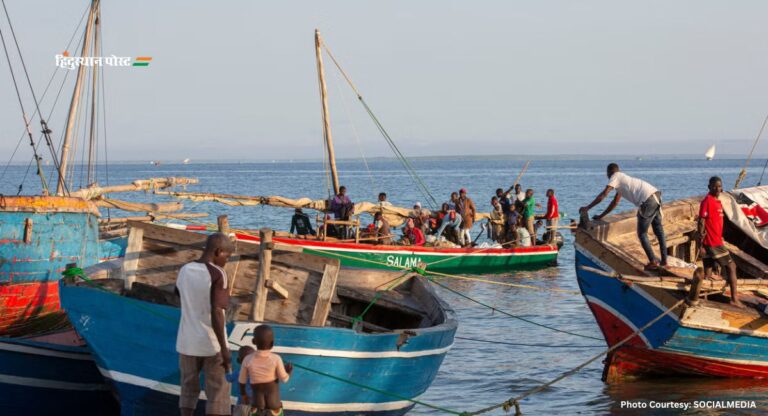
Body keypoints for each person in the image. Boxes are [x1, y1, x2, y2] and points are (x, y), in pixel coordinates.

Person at [176, 233, 234, 416]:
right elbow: (217, 311)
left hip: (186, 341)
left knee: (188, 389)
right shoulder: (218, 273)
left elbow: (178, 294)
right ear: (218, 252)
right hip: (212, 344)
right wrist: (224, 348)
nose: (226, 261)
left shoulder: (185, 269)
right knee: (218, 392)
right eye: (227, 256)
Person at [580, 163, 668, 269]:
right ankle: (664, 261)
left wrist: (588, 207)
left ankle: (653, 261)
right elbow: (615, 202)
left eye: (607, 174)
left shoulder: (615, 177)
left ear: (609, 173)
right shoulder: (622, 179)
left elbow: (604, 194)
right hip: (656, 195)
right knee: (659, 231)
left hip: (647, 201)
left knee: (642, 233)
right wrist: (601, 216)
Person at [697, 176, 742, 307]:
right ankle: (734, 299)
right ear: (709, 187)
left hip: (715, 241)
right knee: (731, 267)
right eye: (715, 186)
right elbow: (701, 222)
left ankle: (704, 299)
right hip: (713, 243)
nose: (718, 189)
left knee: (708, 271)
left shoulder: (717, 201)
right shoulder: (707, 201)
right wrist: (701, 245)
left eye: (720, 186)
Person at [239, 325, 292, 416]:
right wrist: (289, 372)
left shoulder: (247, 359)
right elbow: (284, 379)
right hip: (274, 407)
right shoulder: (276, 359)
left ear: (254, 342)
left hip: (257, 406)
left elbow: (242, 381)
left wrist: (244, 395)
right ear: (272, 343)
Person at [227, 346, 255, 416]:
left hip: (241, 405)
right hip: (255, 406)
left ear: (238, 360)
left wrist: (227, 369)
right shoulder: (258, 373)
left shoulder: (237, 373)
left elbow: (228, 378)